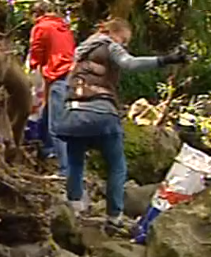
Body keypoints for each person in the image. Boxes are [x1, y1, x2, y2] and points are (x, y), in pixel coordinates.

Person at [58, 18, 187, 234]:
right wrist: (167, 59)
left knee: (75, 163)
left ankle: (74, 208)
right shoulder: (109, 45)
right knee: (117, 166)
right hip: (102, 115)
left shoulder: (81, 51)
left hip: (73, 114)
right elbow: (130, 63)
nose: (124, 45)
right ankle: (114, 217)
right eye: (124, 40)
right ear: (115, 33)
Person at [28, 0, 75, 176]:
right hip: (69, 74)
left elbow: (36, 52)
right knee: (48, 116)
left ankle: (65, 170)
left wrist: (33, 68)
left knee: (56, 126)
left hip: (57, 76)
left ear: (36, 14)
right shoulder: (64, 28)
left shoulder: (42, 27)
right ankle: (47, 151)